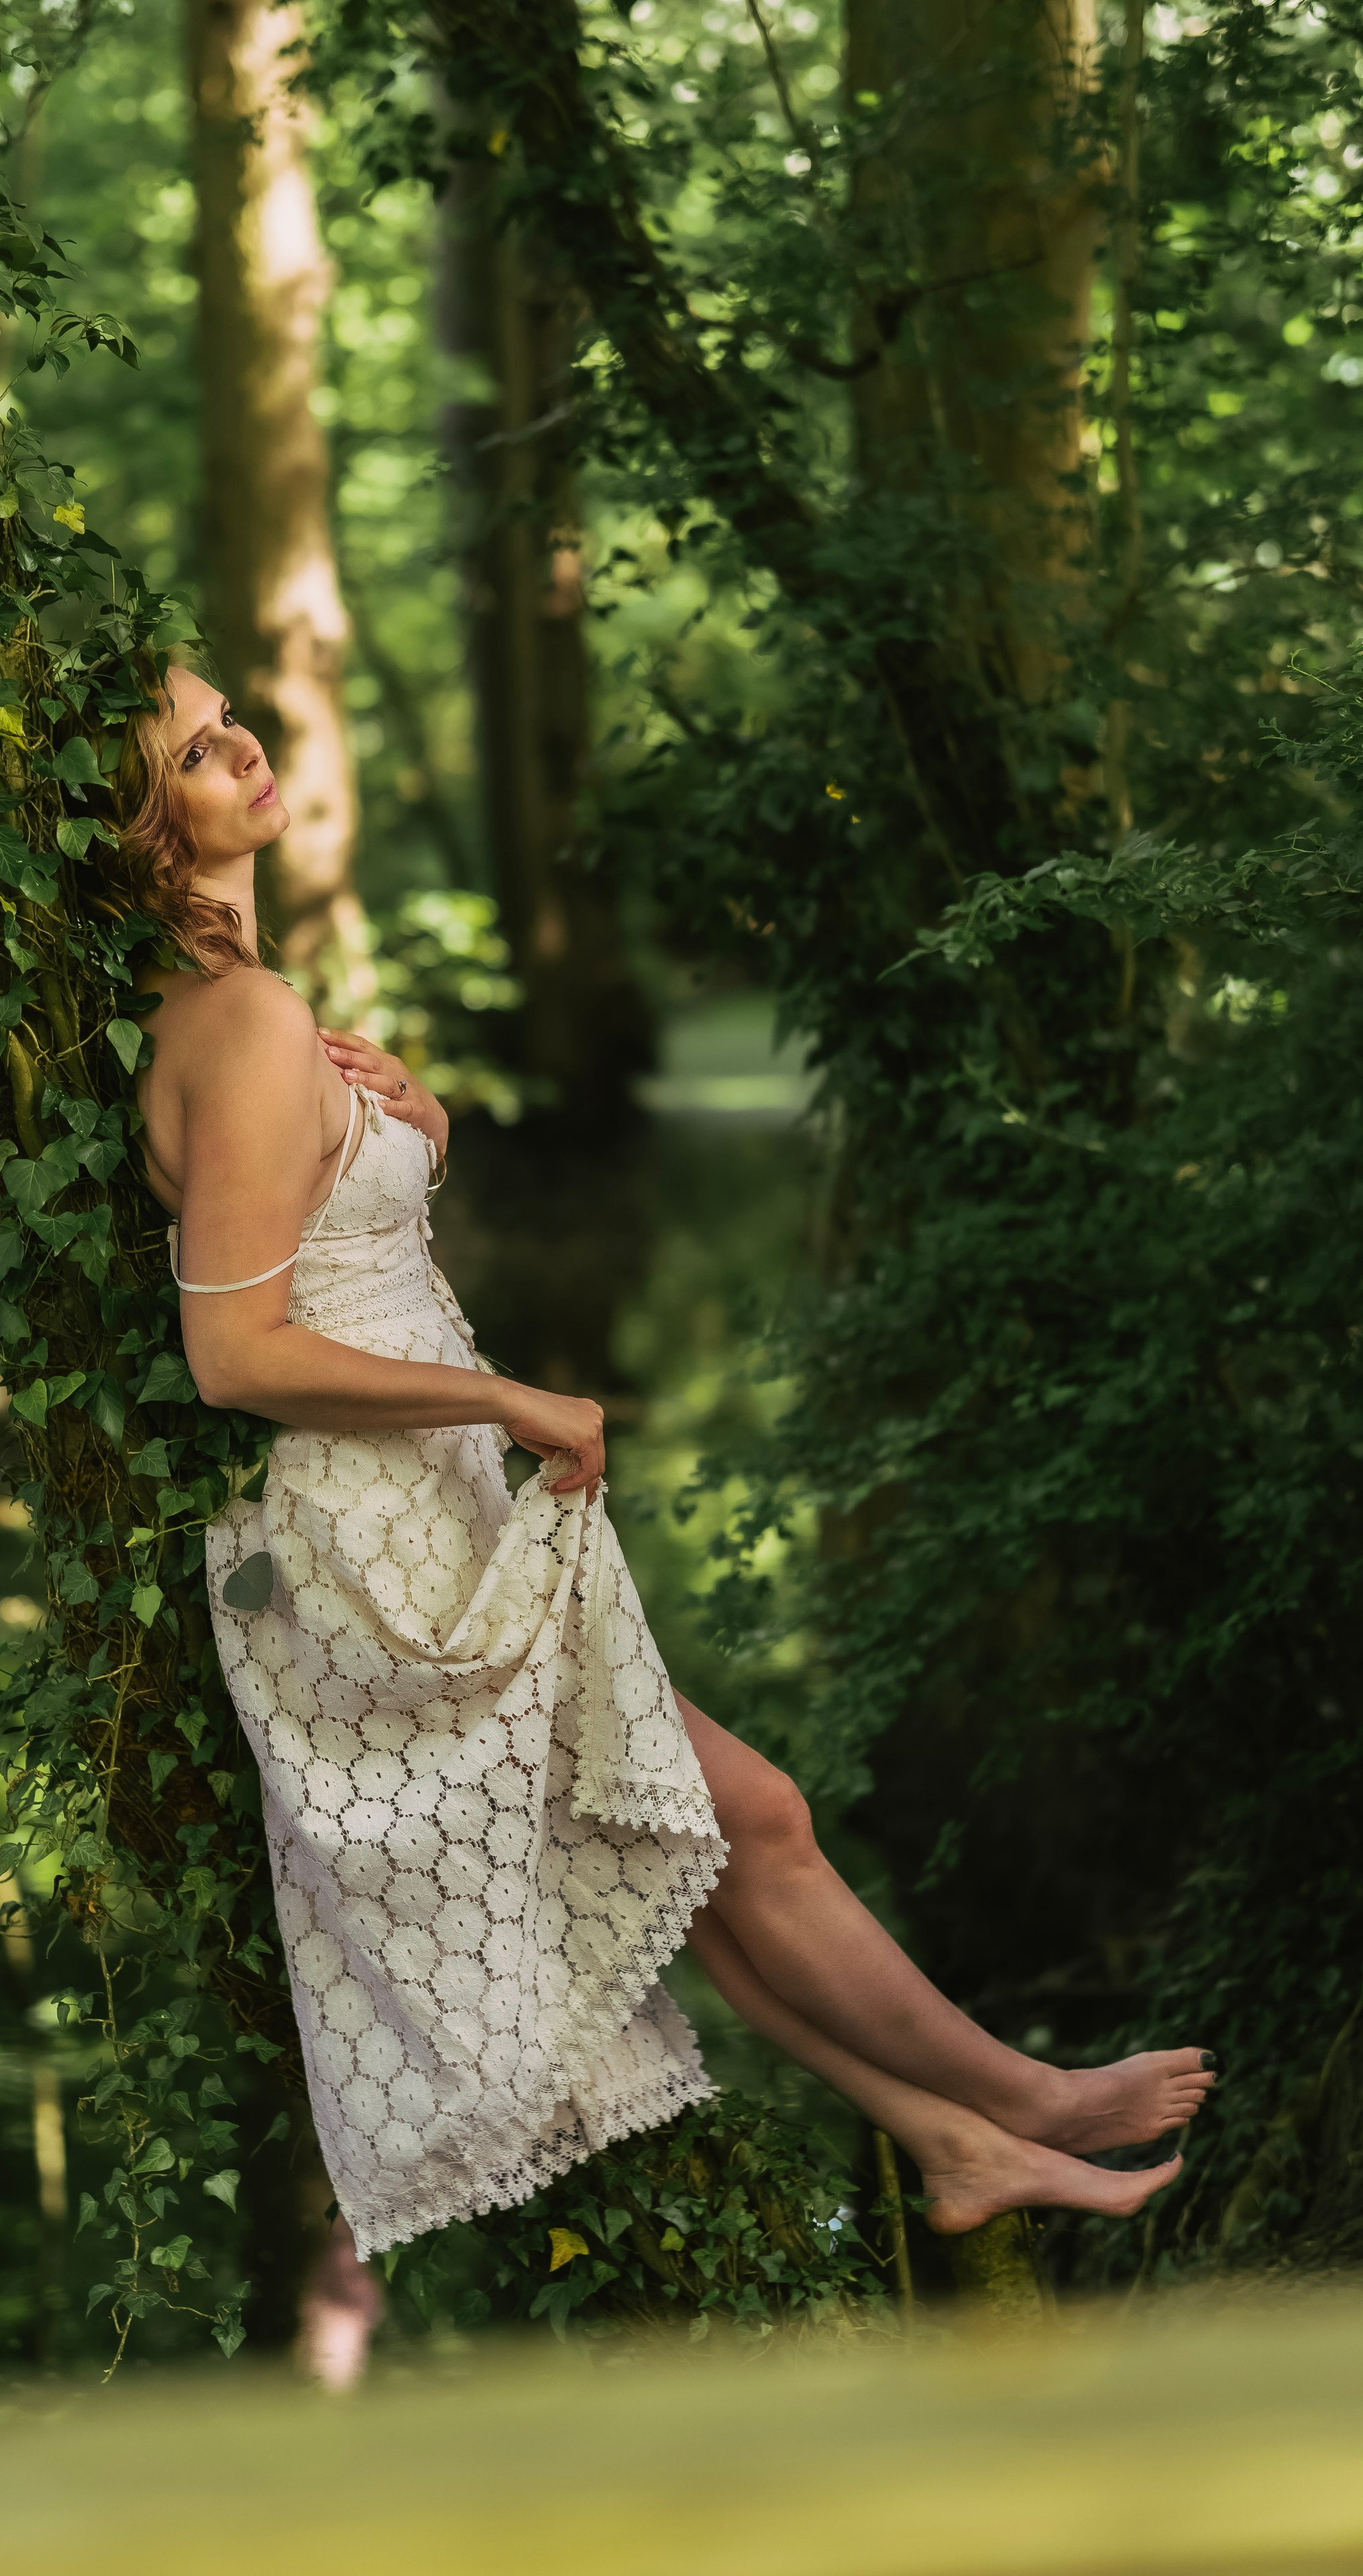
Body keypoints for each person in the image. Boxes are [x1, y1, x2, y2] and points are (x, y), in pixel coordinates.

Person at [118, 661, 1213, 2267]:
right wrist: (511, 1403)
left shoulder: (241, 1008)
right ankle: (1023, 2106)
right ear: (153, 837)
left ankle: (953, 2136)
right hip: (379, 1545)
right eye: (197, 754)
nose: (246, 749)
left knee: (703, 1833)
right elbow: (238, 1356)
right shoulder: (240, 1018)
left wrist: (414, 1135)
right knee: (745, 1815)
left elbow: (328, 1247)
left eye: (230, 716)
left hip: (427, 1509)